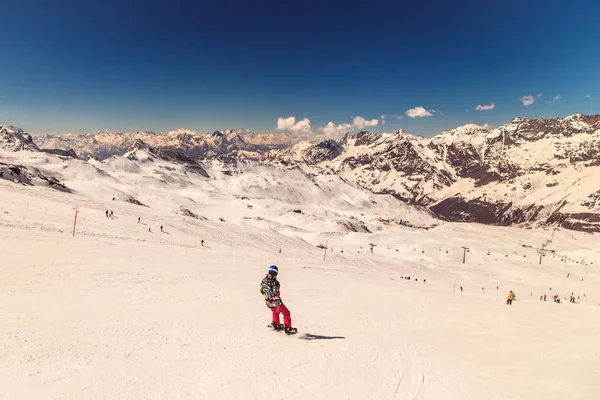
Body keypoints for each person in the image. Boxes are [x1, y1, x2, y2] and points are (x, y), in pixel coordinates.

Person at [260, 265, 296, 334]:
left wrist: (267, 296)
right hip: (276, 303)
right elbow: (276, 294)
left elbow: (261, 290)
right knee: (286, 313)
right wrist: (278, 301)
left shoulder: (264, 280)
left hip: (268, 302)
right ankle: (288, 328)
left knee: (275, 312)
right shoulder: (275, 282)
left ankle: (276, 325)